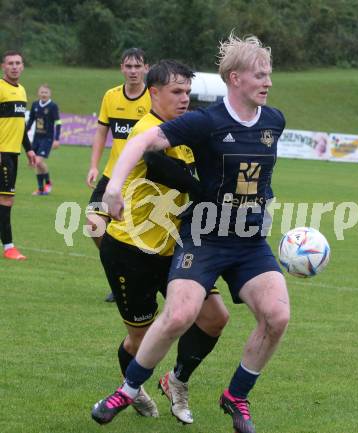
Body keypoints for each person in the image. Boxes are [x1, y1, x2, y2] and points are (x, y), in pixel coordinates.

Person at [93, 34, 291, 433]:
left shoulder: (275, 120)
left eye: (269, 74)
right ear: (235, 78)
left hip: (249, 240)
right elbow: (147, 140)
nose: (268, 82)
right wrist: (111, 186)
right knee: (180, 314)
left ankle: (236, 395)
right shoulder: (208, 121)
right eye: (259, 75)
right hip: (204, 235)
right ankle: (129, 389)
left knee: (277, 315)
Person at [93, 60, 229, 424]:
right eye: (176, 92)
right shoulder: (148, 130)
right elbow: (158, 166)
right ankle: (132, 388)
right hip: (130, 252)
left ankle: (177, 380)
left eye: (188, 92)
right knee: (140, 342)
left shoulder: (183, 131)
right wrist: (204, 192)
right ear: (154, 93)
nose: (184, 99)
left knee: (215, 317)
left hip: (178, 250)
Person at [85, 47, 150, 302]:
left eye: (138, 66)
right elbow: (101, 132)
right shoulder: (111, 96)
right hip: (113, 175)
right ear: (122, 68)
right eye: (129, 66)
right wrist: (93, 165)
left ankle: (138, 281)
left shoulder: (153, 98)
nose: (133, 71)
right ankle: (119, 274)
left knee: (136, 236)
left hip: (142, 178)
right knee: (94, 225)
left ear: (146, 68)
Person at [0, 50, 36, 260]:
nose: (14, 66)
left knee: (5, 200)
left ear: (22, 66)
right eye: (10, 63)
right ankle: (9, 247)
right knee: (6, 200)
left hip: (13, 154)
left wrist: (28, 148)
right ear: (4, 66)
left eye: (18, 63)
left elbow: (19, 124)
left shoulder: (21, 90)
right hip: (2, 153)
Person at [26, 84, 61, 195]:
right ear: (38, 93)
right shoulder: (35, 105)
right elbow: (31, 120)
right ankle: (41, 189)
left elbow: (58, 122)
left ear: (49, 94)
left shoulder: (53, 106)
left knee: (37, 161)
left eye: (46, 92)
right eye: (42, 92)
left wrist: (56, 139)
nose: (44, 94)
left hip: (47, 139)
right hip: (36, 138)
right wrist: (24, 132)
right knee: (38, 164)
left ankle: (48, 184)